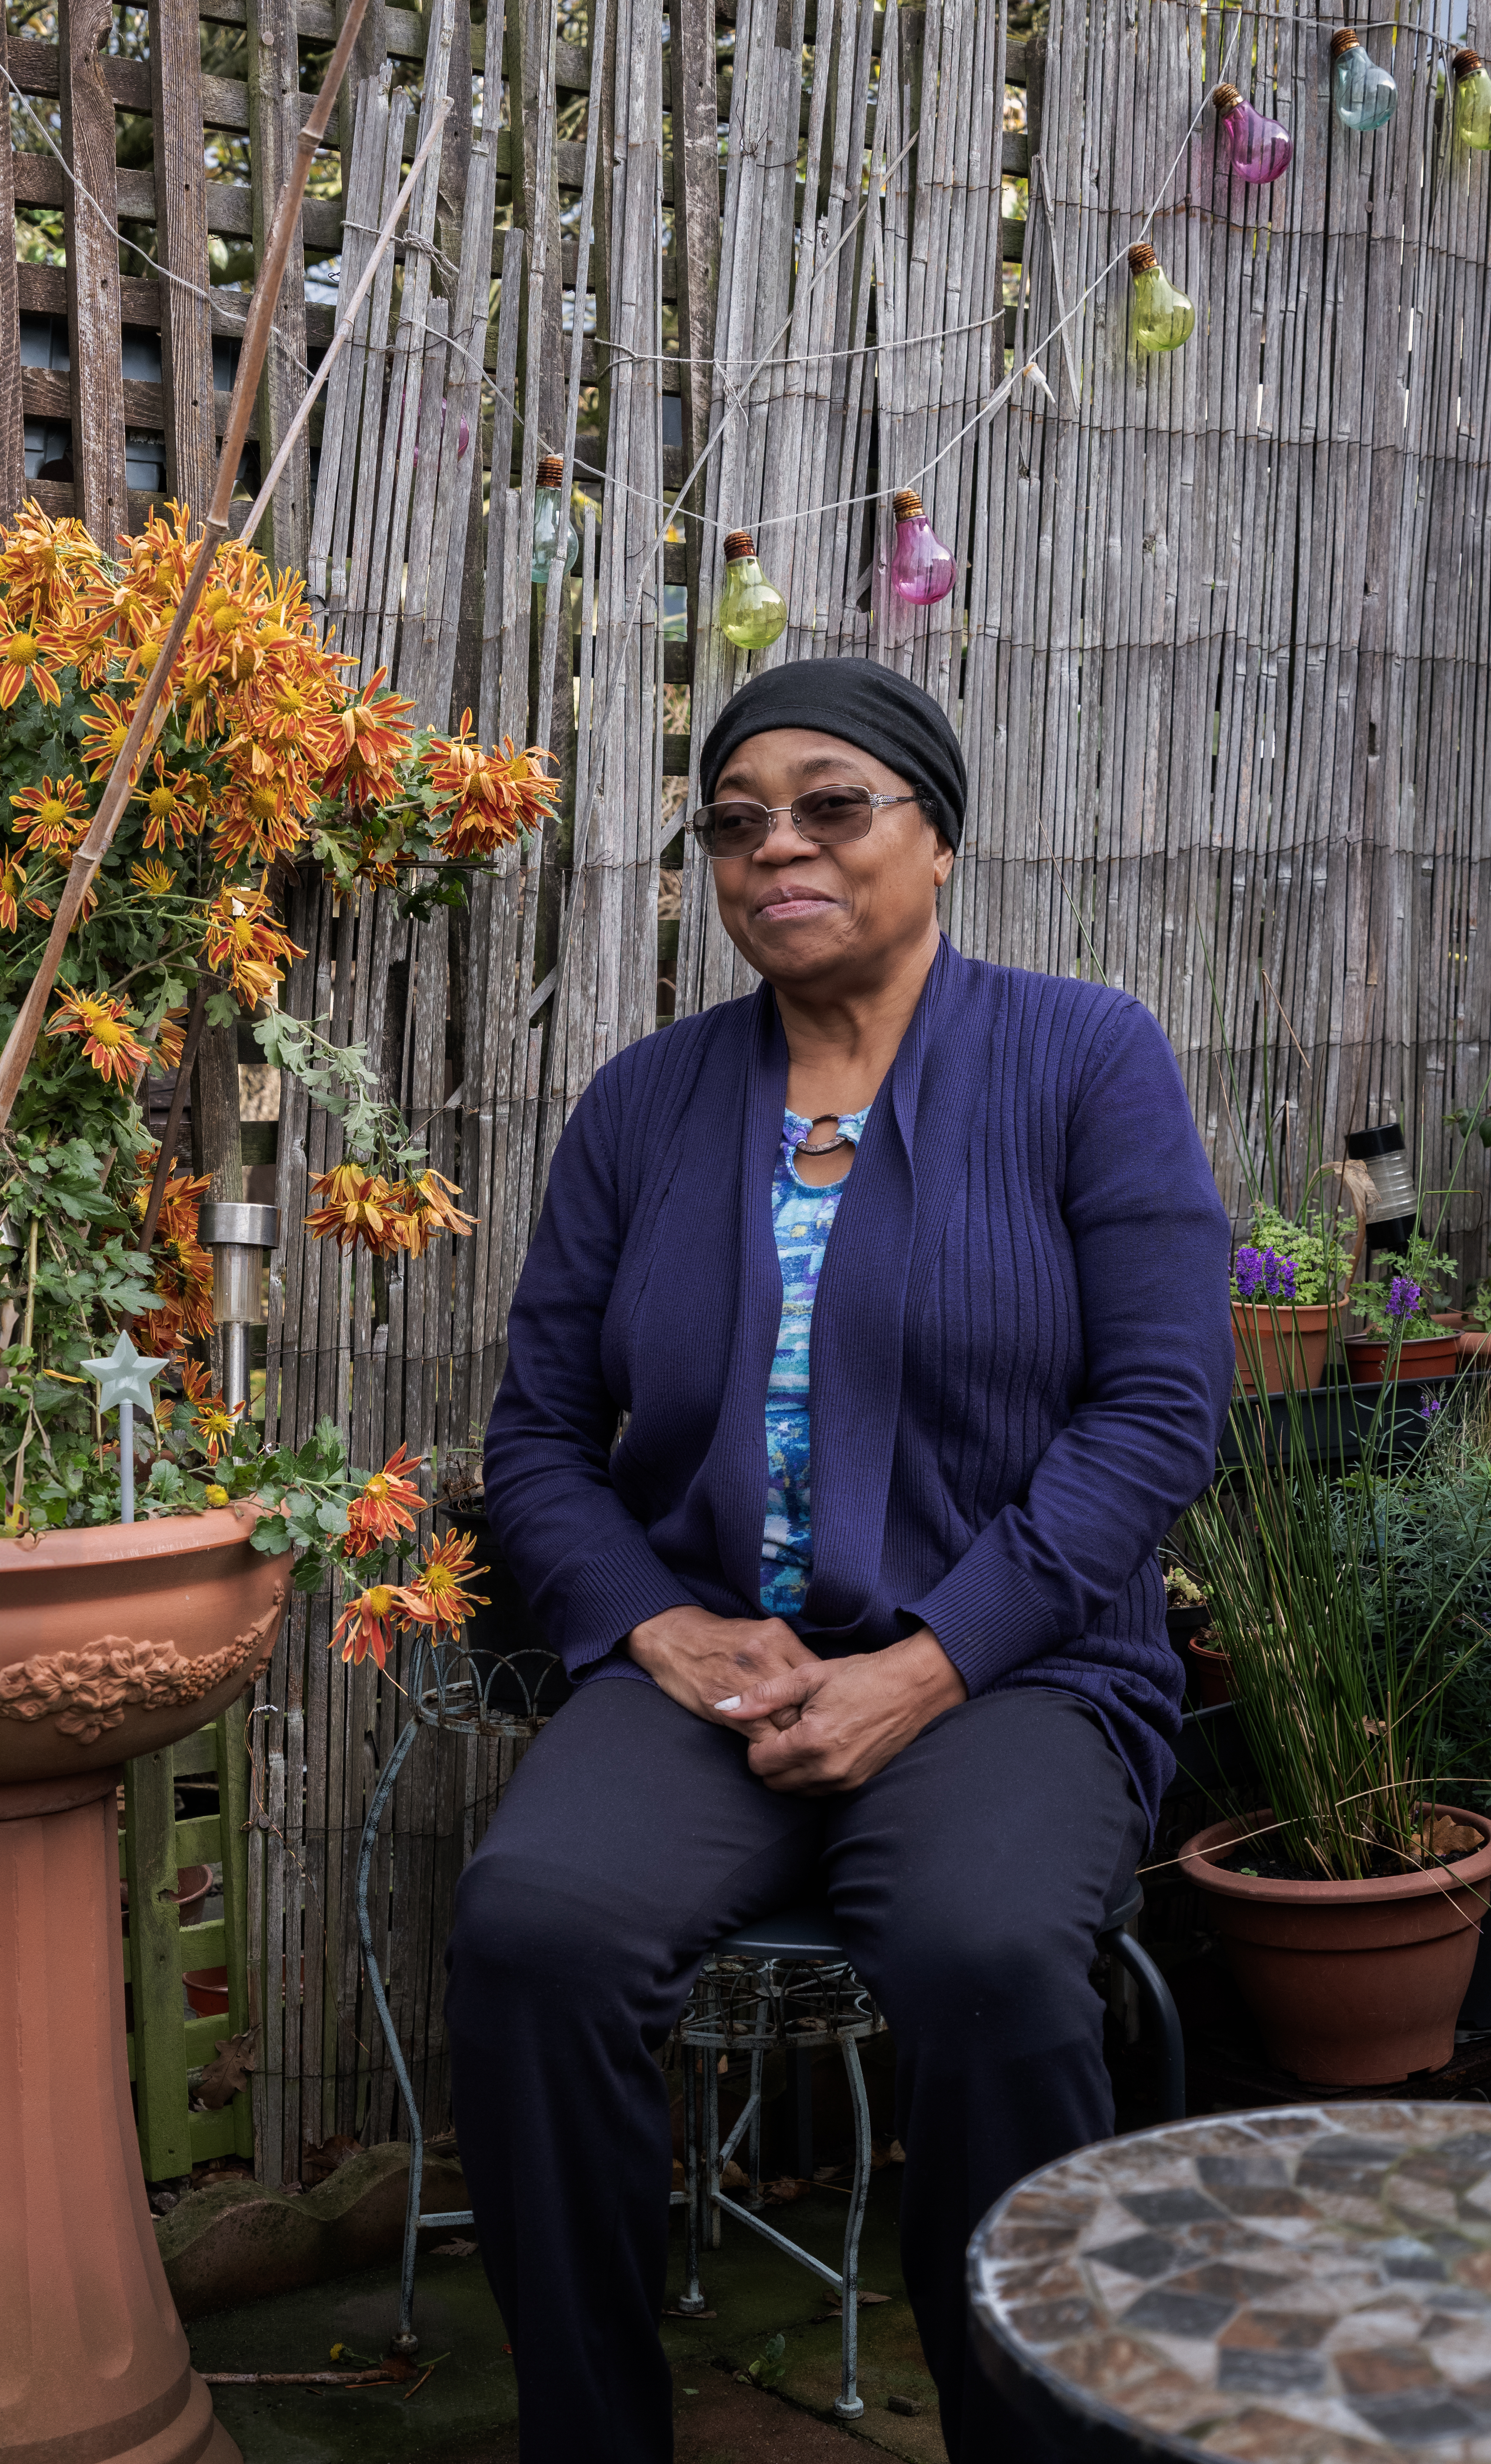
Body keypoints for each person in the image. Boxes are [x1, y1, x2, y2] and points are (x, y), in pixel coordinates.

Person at [445, 657, 1233, 2462]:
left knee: (985, 1954)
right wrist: (652, 1626)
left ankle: (1039, 2438)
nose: (774, 846)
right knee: (534, 1935)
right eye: (735, 821)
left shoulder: (1080, 1058)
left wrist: (931, 1663)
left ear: (935, 837)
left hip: (1012, 1663)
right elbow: (543, 1439)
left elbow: (1162, 1412)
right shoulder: (644, 1107)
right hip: (715, 1662)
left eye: (829, 803)